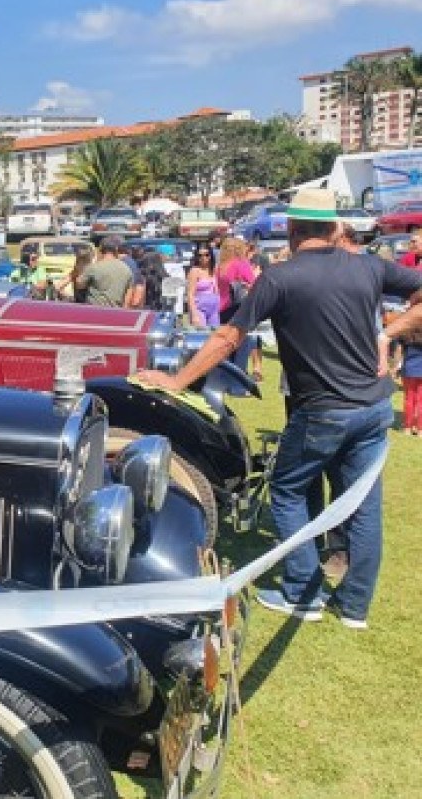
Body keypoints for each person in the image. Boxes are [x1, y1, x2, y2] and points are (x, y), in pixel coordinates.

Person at [137, 188, 422, 629]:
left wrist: (175, 380)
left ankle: (301, 593)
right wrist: (393, 332)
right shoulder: (367, 266)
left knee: (287, 492)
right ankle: (354, 607)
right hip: (373, 406)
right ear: (332, 227)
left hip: (322, 409)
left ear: (291, 229)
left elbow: (227, 338)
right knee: (364, 505)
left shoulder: (280, 277)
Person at [75, 235, 132, 307]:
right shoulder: (127, 269)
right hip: (116, 313)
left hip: (95, 312)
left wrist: (79, 269)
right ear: (116, 250)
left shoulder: (94, 267)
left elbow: (79, 284)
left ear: (100, 249)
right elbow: (128, 298)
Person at [186, 247, 220, 328]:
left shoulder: (214, 270)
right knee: (201, 333)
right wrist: (194, 314)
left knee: (214, 335)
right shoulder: (194, 271)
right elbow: (190, 294)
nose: (203, 258)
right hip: (200, 308)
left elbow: (217, 289)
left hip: (214, 308)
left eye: (206, 255)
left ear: (211, 256)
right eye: (200, 255)